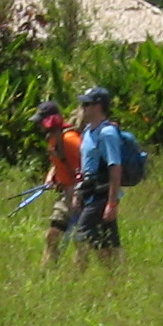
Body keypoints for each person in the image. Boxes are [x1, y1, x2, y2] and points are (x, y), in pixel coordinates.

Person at [71, 85, 127, 267]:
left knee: (81, 237)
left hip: (101, 195)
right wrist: (78, 194)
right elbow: (86, 167)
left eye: (87, 104)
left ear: (98, 106)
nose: (83, 108)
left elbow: (115, 168)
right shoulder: (87, 132)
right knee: (106, 245)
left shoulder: (107, 133)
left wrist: (111, 203)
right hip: (88, 192)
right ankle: (115, 280)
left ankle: (75, 281)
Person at [34, 101, 83, 265]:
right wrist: (52, 176)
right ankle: (46, 272)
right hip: (65, 195)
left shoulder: (70, 140)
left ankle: (78, 277)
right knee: (52, 235)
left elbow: (85, 167)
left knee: (80, 241)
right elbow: (58, 162)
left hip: (78, 195)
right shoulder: (53, 139)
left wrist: (77, 194)